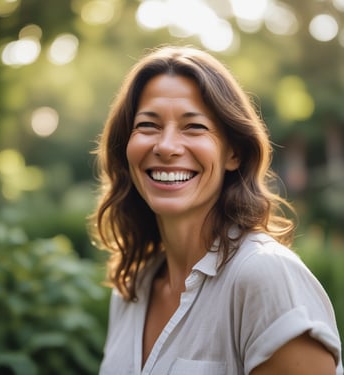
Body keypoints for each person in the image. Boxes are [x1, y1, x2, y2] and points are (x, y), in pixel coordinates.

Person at [90, 45, 343, 374]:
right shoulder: (131, 289)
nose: (166, 147)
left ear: (233, 153)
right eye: (148, 125)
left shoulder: (264, 277)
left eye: (194, 127)